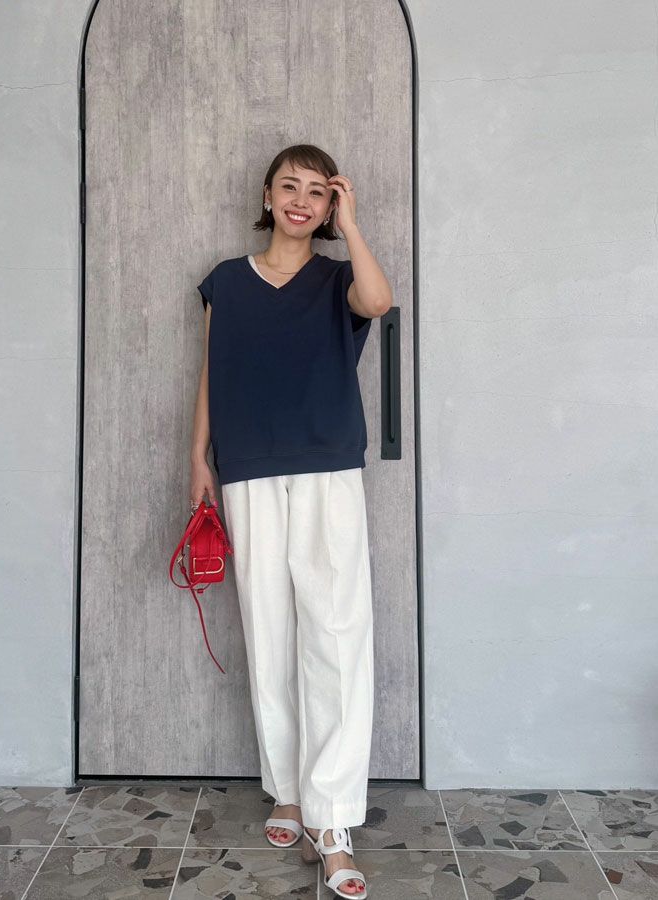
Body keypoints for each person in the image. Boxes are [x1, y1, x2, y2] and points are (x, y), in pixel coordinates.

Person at [190, 144, 392, 899]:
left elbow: (379, 303)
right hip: (246, 465)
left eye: (317, 191)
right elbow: (210, 371)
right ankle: (288, 790)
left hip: (326, 464)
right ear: (268, 195)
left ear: (330, 204)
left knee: (335, 635)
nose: (301, 200)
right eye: (290, 186)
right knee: (268, 629)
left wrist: (354, 223)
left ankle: (333, 821)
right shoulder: (225, 281)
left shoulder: (339, 279)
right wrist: (198, 458)